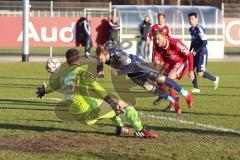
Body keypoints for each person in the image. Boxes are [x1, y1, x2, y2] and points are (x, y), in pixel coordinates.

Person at [36, 48, 159, 138]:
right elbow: (98, 89)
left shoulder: (62, 76)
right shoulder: (82, 72)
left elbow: (49, 88)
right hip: (89, 112)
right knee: (125, 105)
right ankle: (140, 130)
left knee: (104, 105)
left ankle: (120, 128)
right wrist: (112, 102)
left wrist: (43, 91)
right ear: (78, 59)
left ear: (67, 61)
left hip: (77, 114)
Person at [96, 45, 194, 115]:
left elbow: (131, 65)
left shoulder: (117, 55)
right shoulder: (104, 57)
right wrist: (99, 71)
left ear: (105, 54)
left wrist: (118, 73)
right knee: (149, 87)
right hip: (131, 73)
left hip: (138, 65)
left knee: (160, 79)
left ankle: (186, 94)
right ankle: (174, 102)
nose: (100, 60)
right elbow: (99, 62)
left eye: (100, 58)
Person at [152, 30, 195, 113]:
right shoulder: (156, 46)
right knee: (158, 78)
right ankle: (165, 96)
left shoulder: (175, 43)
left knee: (169, 79)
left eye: (158, 39)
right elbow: (157, 62)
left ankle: (175, 102)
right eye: (155, 39)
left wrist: (191, 71)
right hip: (170, 62)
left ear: (164, 36)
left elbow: (189, 55)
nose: (156, 41)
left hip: (181, 61)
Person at [188, 12, 219, 93]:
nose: (191, 21)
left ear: (196, 19)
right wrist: (189, 51)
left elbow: (205, 42)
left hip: (202, 52)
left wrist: (196, 50)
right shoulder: (191, 29)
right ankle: (196, 88)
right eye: (189, 19)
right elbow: (193, 41)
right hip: (195, 52)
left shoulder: (199, 28)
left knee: (200, 73)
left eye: (192, 19)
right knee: (190, 69)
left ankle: (215, 79)